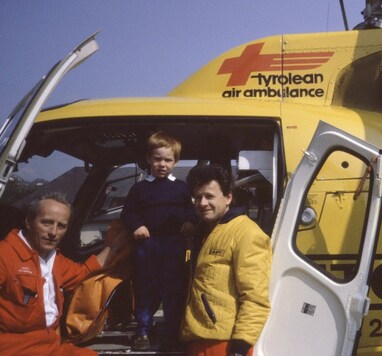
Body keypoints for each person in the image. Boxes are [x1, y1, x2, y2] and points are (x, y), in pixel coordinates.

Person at [0, 193, 126, 355]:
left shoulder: (55, 260)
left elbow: (85, 273)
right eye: (46, 223)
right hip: (12, 348)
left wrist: (115, 246)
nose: (53, 232)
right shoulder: (4, 255)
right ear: (29, 221)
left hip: (51, 344)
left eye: (61, 226)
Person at [181, 164, 271, 356]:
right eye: (197, 197)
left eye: (209, 196)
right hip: (196, 340)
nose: (202, 203)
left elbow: (255, 297)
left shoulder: (247, 233)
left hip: (225, 344)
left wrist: (241, 344)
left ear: (228, 197)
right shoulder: (202, 231)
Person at [120, 131, 197, 351]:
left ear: (176, 162)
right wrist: (137, 225)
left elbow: (190, 211)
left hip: (174, 245)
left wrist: (190, 222)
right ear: (148, 159)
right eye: (158, 159)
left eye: (168, 160)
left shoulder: (182, 188)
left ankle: (173, 332)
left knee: (174, 290)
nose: (162, 164)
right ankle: (143, 330)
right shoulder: (140, 188)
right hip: (148, 246)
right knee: (146, 289)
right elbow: (128, 213)